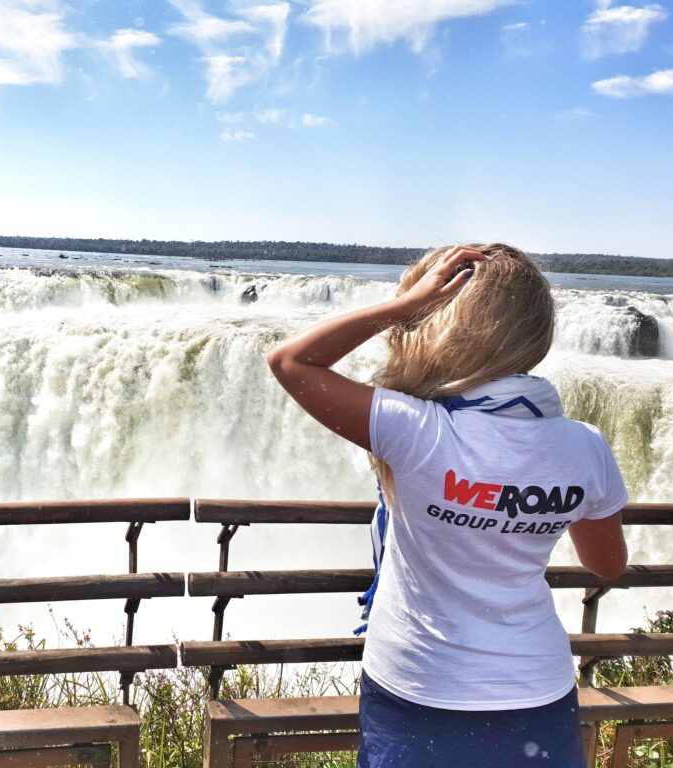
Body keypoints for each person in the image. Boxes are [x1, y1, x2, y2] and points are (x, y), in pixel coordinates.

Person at [266, 243, 628, 768]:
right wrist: (526, 517)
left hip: (417, 685)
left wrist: (402, 307)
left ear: (438, 320)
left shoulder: (416, 430)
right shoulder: (585, 447)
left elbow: (291, 361)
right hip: (536, 689)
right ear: (535, 333)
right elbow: (606, 564)